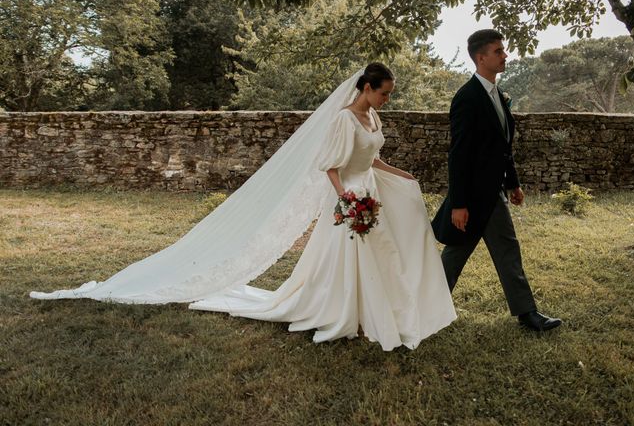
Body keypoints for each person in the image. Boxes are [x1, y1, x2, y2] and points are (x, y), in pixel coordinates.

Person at [32, 63, 456, 351]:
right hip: (349, 195)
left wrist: (400, 173)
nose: (387, 100)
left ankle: (365, 311)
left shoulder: (373, 120)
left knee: (376, 253)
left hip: (370, 189)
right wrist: (346, 197)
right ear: (366, 87)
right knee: (352, 252)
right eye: (384, 93)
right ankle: (348, 314)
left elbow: (373, 158)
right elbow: (330, 166)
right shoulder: (344, 120)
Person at [432, 29, 562, 332]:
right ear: (481, 57)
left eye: (503, 50)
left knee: (502, 250)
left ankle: (526, 313)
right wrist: (459, 204)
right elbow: (459, 154)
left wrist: (513, 183)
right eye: (498, 51)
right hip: (474, 197)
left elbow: (502, 148)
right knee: (457, 252)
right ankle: (428, 306)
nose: (505, 55)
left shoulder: (497, 96)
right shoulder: (467, 98)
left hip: (495, 193)